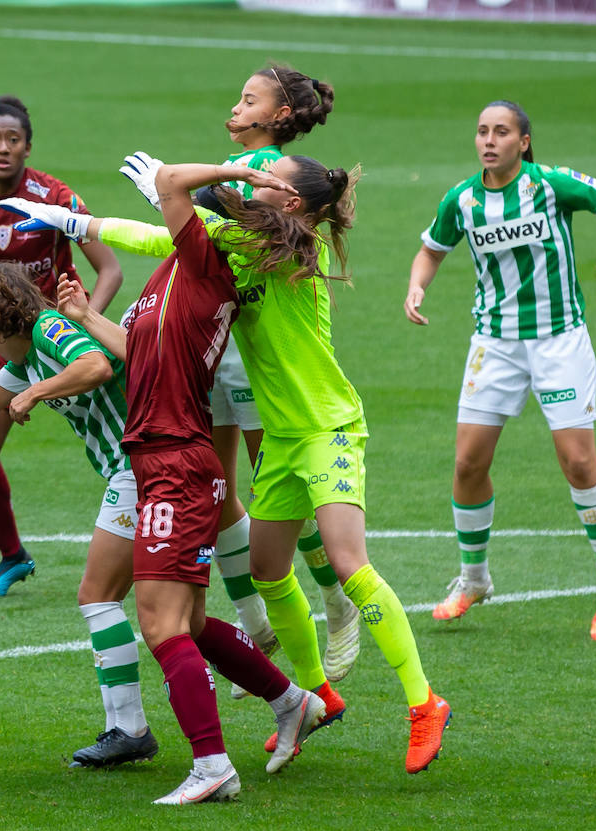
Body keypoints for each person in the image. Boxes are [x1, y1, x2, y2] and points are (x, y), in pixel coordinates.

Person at [10, 153, 453, 776]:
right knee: (270, 570)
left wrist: (172, 190)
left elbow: (176, 216)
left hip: (329, 426)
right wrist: (71, 224)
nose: (257, 177)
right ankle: (314, 694)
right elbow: (163, 235)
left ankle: (423, 703)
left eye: (270, 176)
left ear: (290, 202)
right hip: (282, 436)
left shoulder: (301, 253)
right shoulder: (243, 245)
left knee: (349, 563)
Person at [14, 162, 326, 805]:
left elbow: (173, 183)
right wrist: (82, 315)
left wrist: (234, 169)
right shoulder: (178, 274)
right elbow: (140, 350)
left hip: (176, 464)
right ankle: (292, 701)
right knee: (187, 617)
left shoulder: (206, 262)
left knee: (160, 625)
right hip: (170, 461)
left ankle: (213, 766)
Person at [405, 100, 596, 641]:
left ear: (523, 142)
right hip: (495, 343)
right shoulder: (462, 199)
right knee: (467, 462)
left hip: (559, 341)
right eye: (482, 131)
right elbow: (431, 249)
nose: (489, 140)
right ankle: (474, 579)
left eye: (502, 131)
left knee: (578, 462)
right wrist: (418, 283)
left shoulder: (552, 185)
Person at [0, 262, 155, 767]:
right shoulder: (27, 351)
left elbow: (96, 367)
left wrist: (36, 392)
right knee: (167, 610)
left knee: (100, 597)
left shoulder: (48, 329)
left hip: (138, 465)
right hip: (134, 467)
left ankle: (129, 727)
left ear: (10, 324)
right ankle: (287, 695)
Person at [0, 95, 122, 598]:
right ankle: (12, 556)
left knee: (110, 414)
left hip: (55, 326)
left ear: (28, 146)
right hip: (9, 332)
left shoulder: (55, 196)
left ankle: (139, 512)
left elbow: (110, 269)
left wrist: (85, 319)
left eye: (14, 139)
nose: (4, 148)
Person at [209, 64, 360, 695]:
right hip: (214, 345)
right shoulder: (231, 165)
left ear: (279, 119)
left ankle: (336, 599)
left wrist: (166, 195)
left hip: (256, 358)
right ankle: (257, 627)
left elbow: (200, 232)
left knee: (279, 495)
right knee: (217, 491)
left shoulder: (270, 179)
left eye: (250, 99)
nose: (237, 106)